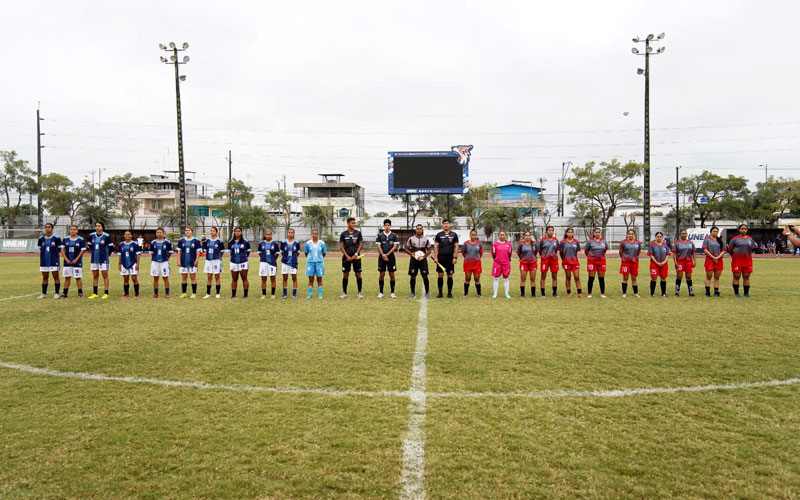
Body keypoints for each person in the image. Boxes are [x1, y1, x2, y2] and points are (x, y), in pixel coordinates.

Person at [728, 223, 757, 298]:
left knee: (746, 276)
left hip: (747, 261)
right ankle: (736, 293)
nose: (744, 230)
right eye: (742, 229)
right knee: (736, 276)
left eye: (745, 229)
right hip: (737, 261)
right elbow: (730, 249)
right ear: (739, 230)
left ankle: (746, 293)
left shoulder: (750, 239)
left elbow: (751, 248)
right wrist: (734, 256)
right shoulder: (734, 239)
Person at [87, 222, 114, 299]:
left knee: (105, 275)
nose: (97, 227)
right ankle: (95, 293)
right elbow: (89, 246)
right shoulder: (91, 235)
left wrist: (106, 255)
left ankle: (106, 293)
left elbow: (111, 248)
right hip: (94, 259)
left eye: (99, 226)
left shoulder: (106, 236)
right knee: (95, 276)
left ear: (102, 227)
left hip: (103, 259)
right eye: (96, 226)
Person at [433, 219, 459, 298]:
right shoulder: (439, 235)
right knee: (440, 275)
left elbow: (456, 246)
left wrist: (455, 257)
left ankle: (449, 293)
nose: (446, 225)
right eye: (444, 223)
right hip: (441, 257)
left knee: (450, 275)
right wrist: (436, 257)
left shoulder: (454, 235)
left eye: (447, 223)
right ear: (442, 225)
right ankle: (440, 293)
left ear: (449, 224)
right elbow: (435, 246)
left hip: (450, 257)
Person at [339, 217, 364, 299]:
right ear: (348, 223)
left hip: (356, 257)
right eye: (352, 223)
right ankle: (344, 293)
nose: (354, 224)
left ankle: (359, 293)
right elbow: (341, 246)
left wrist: (356, 254)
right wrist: (347, 256)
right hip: (346, 257)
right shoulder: (343, 234)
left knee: (358, 274)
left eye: (354, 223)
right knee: (345, 274)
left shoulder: (358, 233)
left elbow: (360, 244)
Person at [37, 222, 62, 299]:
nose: (47, 229)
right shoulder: (41, 238)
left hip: (54, 260)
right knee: (45, 277)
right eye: (46, 227)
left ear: (52, 228)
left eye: (49, 227)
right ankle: (44, 293)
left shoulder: (56, 238)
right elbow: (40, 248)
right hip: (44, 261)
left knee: (56, 276)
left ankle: (57, 293)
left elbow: (59, 249)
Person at [406, 224, 431, 299]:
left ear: (422, 230)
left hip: (423, 261)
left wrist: (425, 255)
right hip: (414, 261)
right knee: (413, 276)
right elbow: (406, 248)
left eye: (420, 229)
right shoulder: (411, 239)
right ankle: (412, 293)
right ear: (415, 230)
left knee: (425, 275)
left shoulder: (426, 239)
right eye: (418, 229)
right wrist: (411, 254)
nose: (419, 230)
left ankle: (427, 293)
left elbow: (429, 250)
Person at [376, 218, 400, 299]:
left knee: (392, 274)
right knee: (381, 274)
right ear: (383, 226)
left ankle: (392, 293)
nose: (387, 227)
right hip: (382, 257)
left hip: (391, 257)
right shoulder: (380, 235)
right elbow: (378, 246)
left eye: (388, 225)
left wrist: (388, 254)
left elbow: (395, 246)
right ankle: (381, 292)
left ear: (390, 226)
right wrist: (383, 255)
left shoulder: (394, 235)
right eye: (385, 225)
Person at [60, 224, 85, 298]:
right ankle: (65, 293)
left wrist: (76, 259)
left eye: (74, 229)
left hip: (77, 262)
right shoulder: (65, 239)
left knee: (78, 277)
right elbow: (62, 250)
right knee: (67, 277)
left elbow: (82, 251)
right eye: (71, 229)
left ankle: (80, 293)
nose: (73, 231)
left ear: (77, 231)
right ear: (69, 230)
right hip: (67, 262)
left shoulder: (80, 239)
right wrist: (66, 259)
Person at [176, 225, 201, 298]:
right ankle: (184, 293)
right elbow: (178, 251)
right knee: (184, 277)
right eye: (186, 230)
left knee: (193, 277)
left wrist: (197, 260)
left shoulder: (196, 240)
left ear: (191, 231)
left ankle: (194, 293)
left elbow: (198, 251)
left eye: (189, 230)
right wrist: (178, 261)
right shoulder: (181, 240)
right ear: (185, 232)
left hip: (192, 262)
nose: (187, 231)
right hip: (183, 261)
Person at [584, 228, 609, 298]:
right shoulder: (590, 241)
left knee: (601, 278)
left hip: (601, 262)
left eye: (599, 232)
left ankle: (602, 293)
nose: (597, 234)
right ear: (593, 233)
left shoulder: (604, 241)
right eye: (596, 232)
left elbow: (605, 250)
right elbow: (586, 251)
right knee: (591, 278)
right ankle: (589, 293)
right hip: (592, 262)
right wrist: (591, 257)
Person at [672, 229, 697, 297]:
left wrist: (694, 261)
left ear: (687, 234)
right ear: (680, 235)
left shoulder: (690, 243)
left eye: (685, 233)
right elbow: (674, 253)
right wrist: (675, 262)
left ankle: (691, 291)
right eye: (682, 233)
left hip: (688, 261)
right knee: (679, 276)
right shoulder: (677, 243)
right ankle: (677, 291)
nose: (683, 235)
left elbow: (693, 252)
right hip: (680, 261)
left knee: (688, 276)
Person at [149, 227, 173, 298]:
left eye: (160, 232)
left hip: (164, 262)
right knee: (155, 278)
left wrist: (166, 258)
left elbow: (170, 252)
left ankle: (167, 293)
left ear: (163, 233)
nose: (159, 234)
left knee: (165, 277)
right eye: (158, 232)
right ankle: (155, 293)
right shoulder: (153, 242)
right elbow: (152, 253)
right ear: (156, 234)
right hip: (155, 262)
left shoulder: (167, 242)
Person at [701, 226, 725, 297]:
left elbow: (723, 250)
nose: (715, 232)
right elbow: (705, 249)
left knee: (717, 277)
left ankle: (716, 292)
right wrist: (713, 257)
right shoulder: (707, 240)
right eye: (714, 231)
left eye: (716, 231)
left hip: (719, 260)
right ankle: (707, 292)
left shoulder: (720, 240)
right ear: (711, 232)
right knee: (709, 276)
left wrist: (718, 257)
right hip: (710, 260)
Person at [117, 230, 141, 298]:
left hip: (133, 263)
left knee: (134, 278)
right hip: (124, 263)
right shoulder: (121, 244)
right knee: (126, 279)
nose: (127, 235)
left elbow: (138, 254)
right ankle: (126, 294)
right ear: (124, 236)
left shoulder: (135, 244)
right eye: (126, 234)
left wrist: (138, 264)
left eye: (129, 234)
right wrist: (119, 264)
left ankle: (137, 294)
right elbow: (120, 255)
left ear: (131, 235)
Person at [257, 229, 281, 299]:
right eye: (267, 234)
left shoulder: (275, 244)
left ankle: (272, 294)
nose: (268, 235)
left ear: (271, 235)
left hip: (272, 263)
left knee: (273, 278)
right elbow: (260, 253)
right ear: (265, 235)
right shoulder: (261, 243)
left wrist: (273, 260)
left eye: (269, 234)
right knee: (263, 278)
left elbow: (277, 254)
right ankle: (263, 294)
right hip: (263, 263)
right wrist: (264, 259)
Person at [618, 229, 642, 298]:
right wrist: (624, 258)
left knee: (634, 278)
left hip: (634, 262)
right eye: (629, 234)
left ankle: (636, 293)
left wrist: (635, 257)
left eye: (632, 234)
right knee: (625, 277)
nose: (631, 235)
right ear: (627, 234)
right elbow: (620, 252)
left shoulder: (638, 242)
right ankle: (624, 293)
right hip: (625, 262)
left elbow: (638, 252)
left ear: (634, 235)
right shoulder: (623, 242)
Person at [202, 226, 225, 299]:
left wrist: (218, 257)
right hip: (208, 260)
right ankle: (208, 293)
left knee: (217, 276)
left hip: (216, 260)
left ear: (216, 232)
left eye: (213, 231)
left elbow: (222, 251)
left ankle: (217, 293)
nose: (212, 232)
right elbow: (205, 249)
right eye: (211, 231)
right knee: (209, 276)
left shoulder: (219, 241)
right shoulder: (207, 241)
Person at [304, 228, 327, 299]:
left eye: (316, 234)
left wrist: (319, 259)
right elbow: (306, 252)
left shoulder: (322, 243)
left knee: (319, 279)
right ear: (311, 234)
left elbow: (324, 253)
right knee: (311, 279)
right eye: (313, 234)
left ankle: (320, 294)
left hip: (319, 263)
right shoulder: (308, 243)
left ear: (318, 234)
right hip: (310, 263)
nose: (314, 235)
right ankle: (310, 294)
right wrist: (310, 258)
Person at [228, 226, 251, 298]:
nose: (237, 233)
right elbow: (230, 252)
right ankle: (233, 294)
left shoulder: (245, 242)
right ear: (234, 233)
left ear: (241, 232)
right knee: (234, 279)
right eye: (236, 231)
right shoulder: (231, 242)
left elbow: (248, 252)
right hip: (234, 262)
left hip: (243, 262)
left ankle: (245, 294)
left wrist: (243, 258)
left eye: (238, 231)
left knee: (244, 278)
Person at [560, 228, 582, 298]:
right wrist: (564, 259)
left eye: (571, 232)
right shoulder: (563, 242)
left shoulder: (576, 242)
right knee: (568, 277)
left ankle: (579, 292)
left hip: (575, 262)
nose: (570, 233)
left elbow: (576, 252)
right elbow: (561, 252)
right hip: (566, 262)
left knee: (577, 277)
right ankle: (569, 292)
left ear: (573, 233)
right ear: (566, 233)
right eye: (568, 232)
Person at [538, 226, 560, 297]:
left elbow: (556, 250)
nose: (551, 232)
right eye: (549, 230)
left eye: (552, 230)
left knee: (554, 276)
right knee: (543, 276)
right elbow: (540, 251)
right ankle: (543, 293)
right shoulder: (542, 240)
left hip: (554, 260)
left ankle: (554, 293)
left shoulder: (556, 240)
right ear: (546, 231)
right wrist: (544, 256)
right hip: (545, 260)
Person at [491, 231, 513, 299]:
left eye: (503, 235)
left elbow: (510, 253)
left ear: (505, 236)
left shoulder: (509, 244)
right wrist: (497, 259)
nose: (502, 236)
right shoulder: (495, 244)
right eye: (501, 235)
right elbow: (493, 254)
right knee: (496, 278)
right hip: (497, 263)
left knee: (506, 278)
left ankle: (506, 293)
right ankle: (495, 293)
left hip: (506, 263)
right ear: (498, 236)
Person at [462, 229, 484, 297]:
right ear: (469, 235)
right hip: (468, 264)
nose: (473, 236)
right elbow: (463, 253)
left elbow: (481, 253)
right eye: (472, 235)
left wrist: (476, 258)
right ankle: (466, 294)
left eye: (474, 235)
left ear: (476, 235)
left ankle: (479, 294)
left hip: (477, 264)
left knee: (477, 279)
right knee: (467, 279)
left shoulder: (479, 243)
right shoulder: (466, 243)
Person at [648, 232, 670, 297]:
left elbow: (668, 254)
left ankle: (663, 293)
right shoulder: (652, 245)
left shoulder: (665, 245)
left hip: (664, 264)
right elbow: (651, 255)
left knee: (663, 277)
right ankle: (652, 293)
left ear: (662, 237)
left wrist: (664, 262)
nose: (659, 238)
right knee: (654, 277)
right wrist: (657, 262)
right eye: (658, 237)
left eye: (660, 237)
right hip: (654, 264)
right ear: (655, 237)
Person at [281, 228, 301, 299]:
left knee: (294, 278)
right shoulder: (283, 242)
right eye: (289, 232)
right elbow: (282, 252)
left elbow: (297, 253)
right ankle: (284, 294)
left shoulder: (296, 242)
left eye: (292, 232)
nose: (290, 234)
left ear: (294, 234)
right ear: (287, 233)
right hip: (285, 263)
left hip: (293, 263)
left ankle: (294, 294)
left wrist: (293, 259)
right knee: (285, 278)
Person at [516, 231, 537, 298]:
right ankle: (522, 294)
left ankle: (533, 294)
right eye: (526, 235)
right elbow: (518, 253)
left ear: (530, 236)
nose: (527, 237)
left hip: (533, 263)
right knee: (523, 279)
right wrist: (523, 259)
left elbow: (535, 252)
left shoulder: (534, 244)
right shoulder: (521, 244)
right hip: (524, 263)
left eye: (529, 235)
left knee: (533, 279)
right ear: (524, 237)